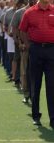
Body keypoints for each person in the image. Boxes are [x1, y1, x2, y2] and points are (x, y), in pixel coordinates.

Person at [19, 0, 54, 128]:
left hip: (52, 51)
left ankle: (53, 118)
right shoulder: (29, 12)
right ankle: (35, 116)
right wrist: (28, 45)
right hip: (36, 50)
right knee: (35, 85)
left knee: (52, 86)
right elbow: (22, 30)